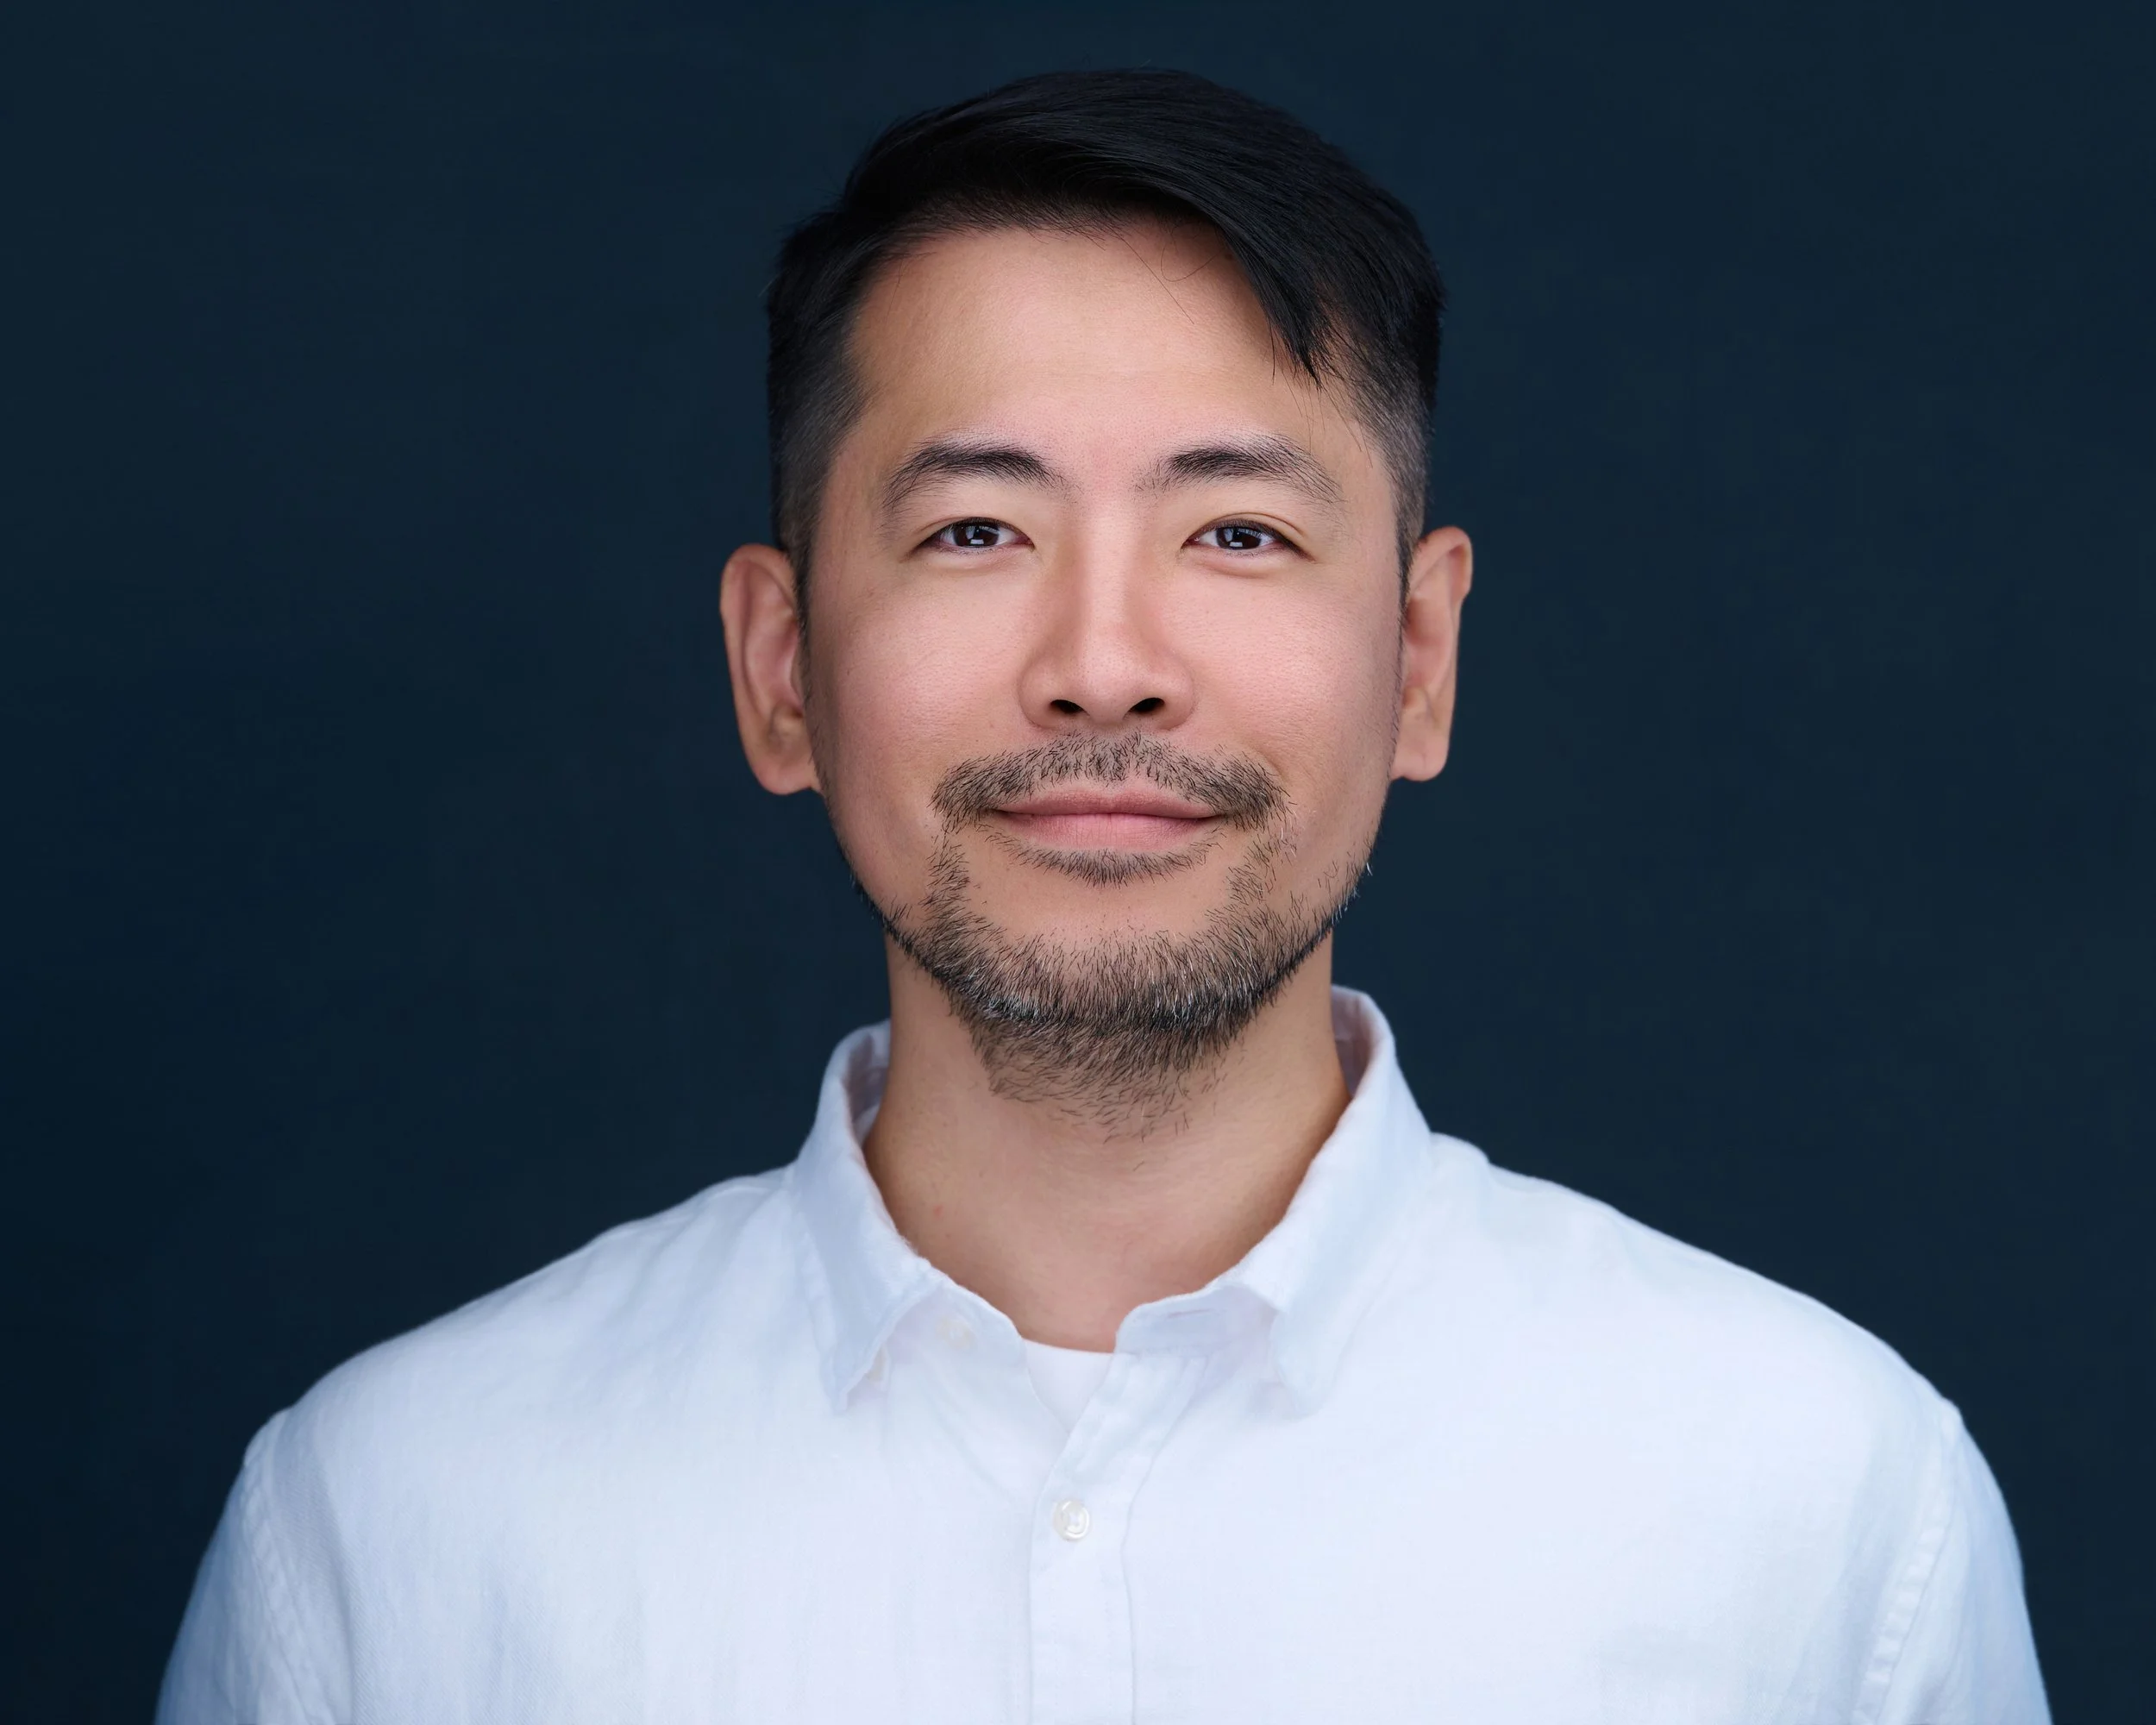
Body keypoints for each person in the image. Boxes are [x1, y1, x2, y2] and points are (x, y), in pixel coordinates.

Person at [158, 69, 2047, 1723]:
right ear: (780, 668)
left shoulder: (1816, 1502)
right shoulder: (391, 1525)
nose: (1103, 665)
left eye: (1235, 531)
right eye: (975, 529)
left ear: (1416, 661)